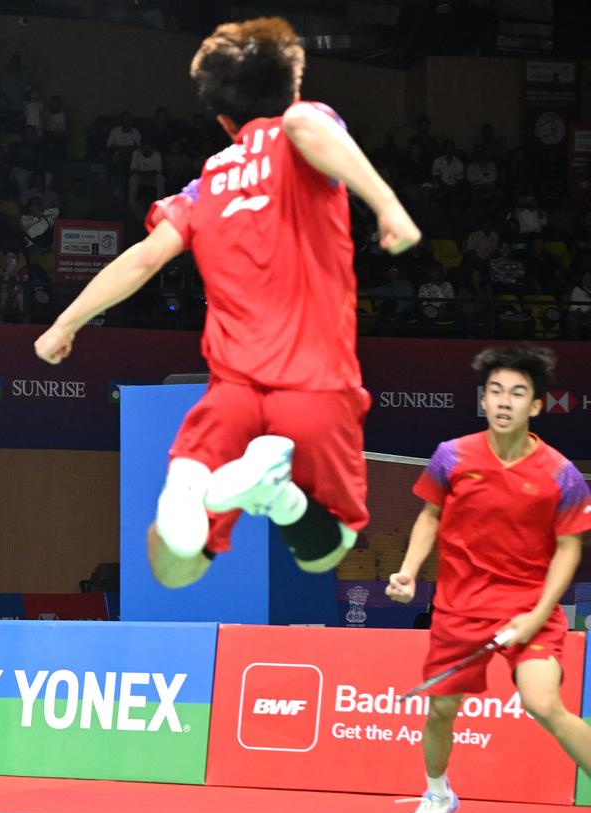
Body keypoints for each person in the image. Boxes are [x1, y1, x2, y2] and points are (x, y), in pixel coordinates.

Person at [34, 16, 420, 589]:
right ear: (294, 87)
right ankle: (279, 497)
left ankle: (195, 488)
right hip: (316, 387)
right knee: (327, 550)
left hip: (233, 395)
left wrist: (66, 322)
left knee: (172, 569)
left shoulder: (206, 184)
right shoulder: (305, 126)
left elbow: (144, 258)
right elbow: (304, 125)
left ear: (221, 118)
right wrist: (387, 207)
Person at [386, 346, 591, 813]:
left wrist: (538, 613)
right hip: (459, 608)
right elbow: (429, 516)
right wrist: (408, 571)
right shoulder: (452, 455)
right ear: (483, 399)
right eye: (495, 391)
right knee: (441, 712)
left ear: (536, 405)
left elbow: (569, 548)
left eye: (517, 393)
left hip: (528, 608)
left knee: (544, 703)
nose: (503, 401)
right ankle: (437, 794)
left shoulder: (560, 473)